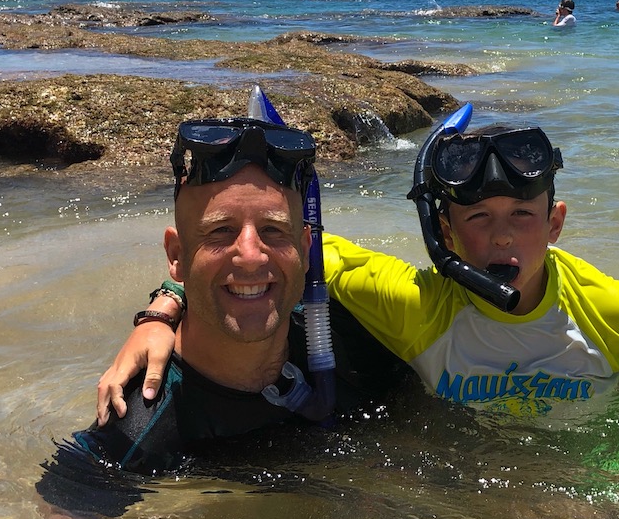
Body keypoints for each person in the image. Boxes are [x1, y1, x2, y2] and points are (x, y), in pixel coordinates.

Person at [101, 121, 619, 426]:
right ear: (442, 231)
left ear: (556, 224)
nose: (500, 236)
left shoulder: (614, 308)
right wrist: (163, 311)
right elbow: (267, 256)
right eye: (476, 218)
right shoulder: (413, 303)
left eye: (522, 217)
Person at [58, 117, 400, 476]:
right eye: (221, 231)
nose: (251, 256)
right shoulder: (134, 434)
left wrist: (162, 309)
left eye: (273, 230)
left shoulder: (356, 338)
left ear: (304, 248)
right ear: (176, 256)